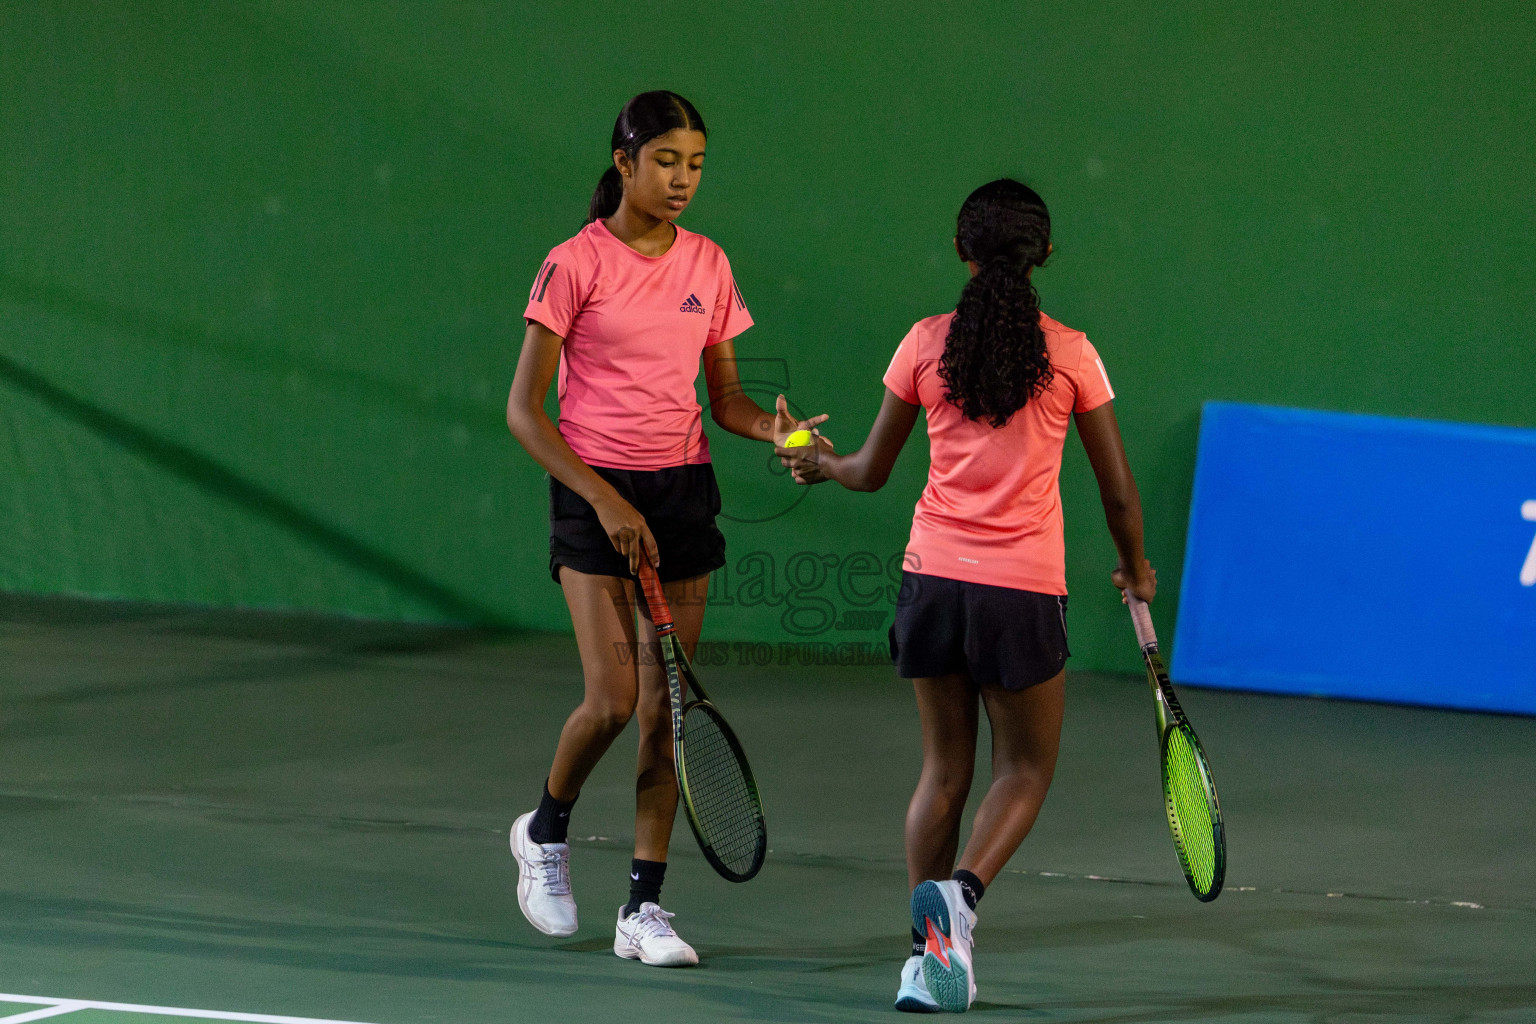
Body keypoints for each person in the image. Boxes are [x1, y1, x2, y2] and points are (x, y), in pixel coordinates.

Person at [777, 179, 1157, 1012]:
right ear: (1045, 255)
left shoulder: (923, 343)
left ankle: (923, 961)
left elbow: (869, 471)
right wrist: (1136, 567)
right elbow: (1118, 492)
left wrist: (814, 459)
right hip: (1020, 593)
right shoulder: (1073, 354)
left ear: (962, 252)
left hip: (932, 585)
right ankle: (964, 896)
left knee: (942, 773)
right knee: (1022, 770)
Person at [505, 90, 823, 968]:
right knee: (610, 699)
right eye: (667, 162)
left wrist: (781, 433)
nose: (683, 180)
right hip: (590, 487)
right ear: (624, 164)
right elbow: (525, 415)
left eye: (696, 165)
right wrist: (605, 501)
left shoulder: (709, 265)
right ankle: (545, 828)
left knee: (667, 711)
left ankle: (643, 910)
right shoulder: (573, 264)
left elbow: (725, 402)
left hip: (681, 492)